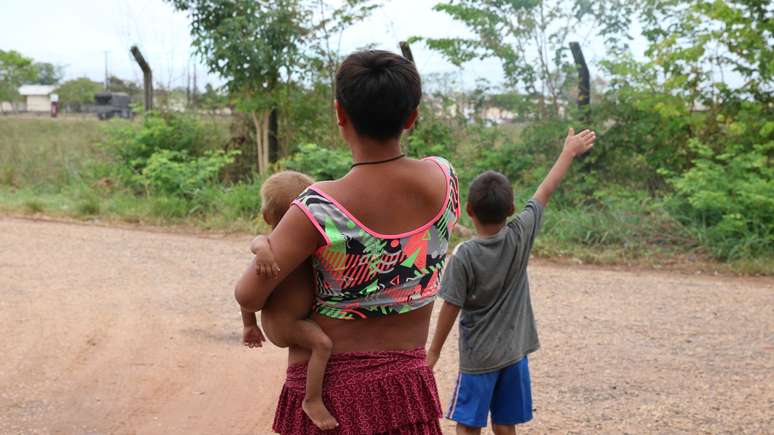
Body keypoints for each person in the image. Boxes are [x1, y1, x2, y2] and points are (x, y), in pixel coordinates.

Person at [234, 49, 461, 434]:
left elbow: (250, 295)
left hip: (331, 400)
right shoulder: (444, 179)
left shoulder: (319, 208)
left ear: (340, 113)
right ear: (412, 116)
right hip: (407, 390)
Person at [426, 128, 596, 435]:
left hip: (479, 358)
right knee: (506, 424)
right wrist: (568, 152)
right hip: (515, 354)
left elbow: (451, 305)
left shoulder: (464, 254)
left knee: (468, 425)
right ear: (512, 209)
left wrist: (434, 350)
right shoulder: (520, 234)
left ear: (469, 210)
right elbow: (545, 190)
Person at [240, 170, 339, 431]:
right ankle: (312, 399)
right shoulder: (270, 246)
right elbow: (256, 247)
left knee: (321, 343)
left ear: (266, 215)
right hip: (285, 323)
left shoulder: (308, 243)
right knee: (323, 345)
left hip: (294, 318)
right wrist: (262, 251)